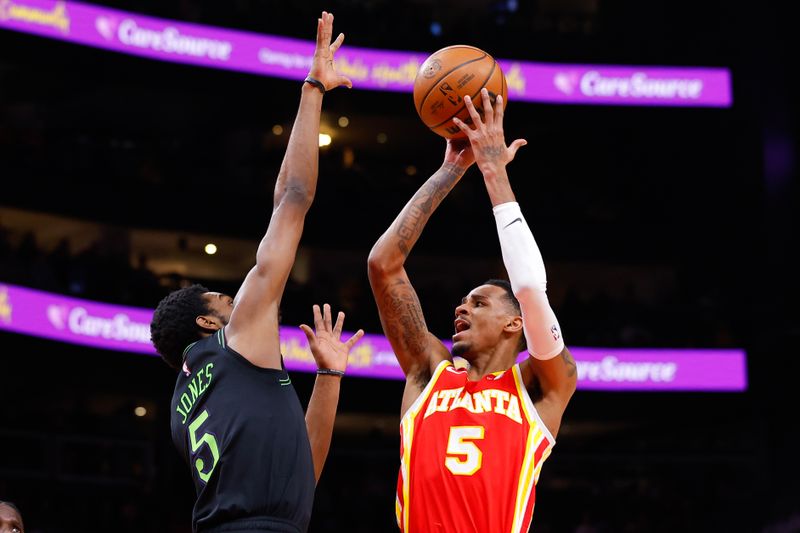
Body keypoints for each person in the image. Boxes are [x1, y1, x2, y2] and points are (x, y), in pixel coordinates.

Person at [149, 12, 363, 533]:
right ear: (208, 323)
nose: (235, 299)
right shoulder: (236, 337)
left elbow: (301, 474)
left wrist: (329, 377)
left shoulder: (184, 403)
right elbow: (293, 199)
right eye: (222, 298)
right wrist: (314, 87)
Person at [368, 89, 578, 533]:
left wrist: (492, 171)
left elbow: (528, 287)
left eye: (478, 302)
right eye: (463, 302)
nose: (461, 309)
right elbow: (383, 266)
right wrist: (450, 169)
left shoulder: (541, 388)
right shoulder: (428, 373)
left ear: (514, 322)